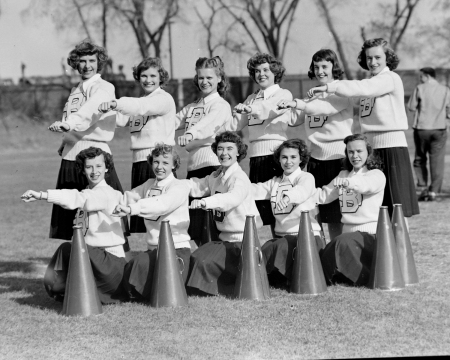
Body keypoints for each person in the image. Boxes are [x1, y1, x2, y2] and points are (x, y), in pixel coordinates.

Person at [308, 38, 419, 219]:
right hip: (372, 149)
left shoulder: (389, 78)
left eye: (377, 57)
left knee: (396, 208)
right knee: (375, 206)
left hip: (391, 147)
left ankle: (401, 248)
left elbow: (363, 88)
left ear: (388, 57)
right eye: (369, 58)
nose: (373, 62)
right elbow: (354, 95)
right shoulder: (370, 82)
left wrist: (331, 86)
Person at [47, 39, 129, 244]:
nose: (87, 65)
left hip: (95, 154)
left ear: (99, 62)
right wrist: (66, 140)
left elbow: (91, 110)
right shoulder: (75, 90)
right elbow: (74, 119)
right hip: (71, 155)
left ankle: (116, 266)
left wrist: (70, 125)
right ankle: (78, 272)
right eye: (82, 61)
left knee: (108, 216)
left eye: (91, 60)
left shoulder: (104, 87)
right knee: (73, 219)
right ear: (75, 64)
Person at [21, 147, 128, 304]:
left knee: (74, 249)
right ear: (83, 170)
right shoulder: (88, 191)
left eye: (99, 166)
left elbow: (78, 198)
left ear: (107, 168)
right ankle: (61, 289)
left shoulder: (108, 193)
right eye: (89, 167)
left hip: (111, 266)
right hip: (95, 259)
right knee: (67, 249)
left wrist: (43, 195)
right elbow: (80, 197)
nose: (94, 171)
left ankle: (73, 290)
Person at [277, 49, 353, 241]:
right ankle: (319, 254)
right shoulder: (312, 96)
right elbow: (294, 119)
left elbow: (323, 109)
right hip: (316, 159)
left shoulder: (341, 90)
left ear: (334, 67)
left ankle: (336, 255)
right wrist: (279, 105)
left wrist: (298, 103)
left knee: (336, 215)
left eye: (324, 67)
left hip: (337, 158)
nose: (320, 71)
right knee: (313, 210)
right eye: (316, 67)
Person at [98, 57, 176, 233]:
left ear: (161, 77)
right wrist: (97, 110)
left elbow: (140, 106)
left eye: (153, 75)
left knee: (161, 218)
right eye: (143, 76)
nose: (148, 80)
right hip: (139, 162)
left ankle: (170, 258)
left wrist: (115, 103)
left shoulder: (163, 99)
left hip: (159, 162)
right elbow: (118, 119)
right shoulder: (140, 102)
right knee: (145, 220)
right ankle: (153, 256)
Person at [222, 53, 296, 234]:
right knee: (262, 209)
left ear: (275, 72)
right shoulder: (252, 98)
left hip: (276, 157)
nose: (261, 74)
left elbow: (269, 109)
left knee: (281, 210)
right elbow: (234, 125)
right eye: (257, 71)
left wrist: (250, 109)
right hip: (256, 158)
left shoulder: (283, 94)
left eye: (266, 70)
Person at [186, 131, 262, 296]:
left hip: (242, 242)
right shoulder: (217, 175)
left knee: (202, 260)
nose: (224, 153)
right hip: (224, 239)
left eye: (229, 148)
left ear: (238, 152)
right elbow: (196, 186)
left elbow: (232, 198)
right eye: (220, 149)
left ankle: (227, 284)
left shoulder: (239, 177)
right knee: (197, 257)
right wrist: (171, 185)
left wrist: (207, 202)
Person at [114, 144, 191, 302]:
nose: (159, 167)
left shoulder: (179, 186)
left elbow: (161, 205)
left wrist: (131, 209)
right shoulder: (148, 185)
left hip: (176, 250)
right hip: (153, 250)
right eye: (156, 162)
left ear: (174, 165)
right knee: (132, 267)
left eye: (165, 162)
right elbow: (126, 197)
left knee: (140, 267)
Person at [251, 139, 323, 287]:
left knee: (279, 247)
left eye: (293, 157)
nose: (288, 161)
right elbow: (254, 190)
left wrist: (289, 197)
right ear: (279, 159)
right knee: (267, 248)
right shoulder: (275, 182)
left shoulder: (306, 177)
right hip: (283, 238)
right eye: (284, 157)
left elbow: (302, 191)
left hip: (306, 237)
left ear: (301, 159)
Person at [175, 56, 232, 242]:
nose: (204, 82)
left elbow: (209, 124)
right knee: (197, 227)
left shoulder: (221, 105)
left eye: (209, 78)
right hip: (193, 170)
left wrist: (191, 134)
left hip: (212, 167)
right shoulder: (192, 107)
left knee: (212, 227)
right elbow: (169, 123)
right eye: (201, 78)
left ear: (219, 79)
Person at [317, 134, 385, 286]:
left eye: (359, 151)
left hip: (369, 235)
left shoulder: (376, 175)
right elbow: (323, 196)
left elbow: (366, 185)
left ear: (368, 152)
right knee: (333, 246)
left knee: (341, 242)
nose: (355, 156)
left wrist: (349, 183)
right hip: (348, 236)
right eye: (350, 152)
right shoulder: (343, 175)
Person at [407, 67, 450, 201]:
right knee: (437, 161)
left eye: (421, 76)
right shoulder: (445, 90)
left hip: (422, 128)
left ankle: (422, 187)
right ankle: (434, 192)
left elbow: (411, 107)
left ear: (426, 76)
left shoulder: (420, 88)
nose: (420, 79)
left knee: (420, 158)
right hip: (439, 129)